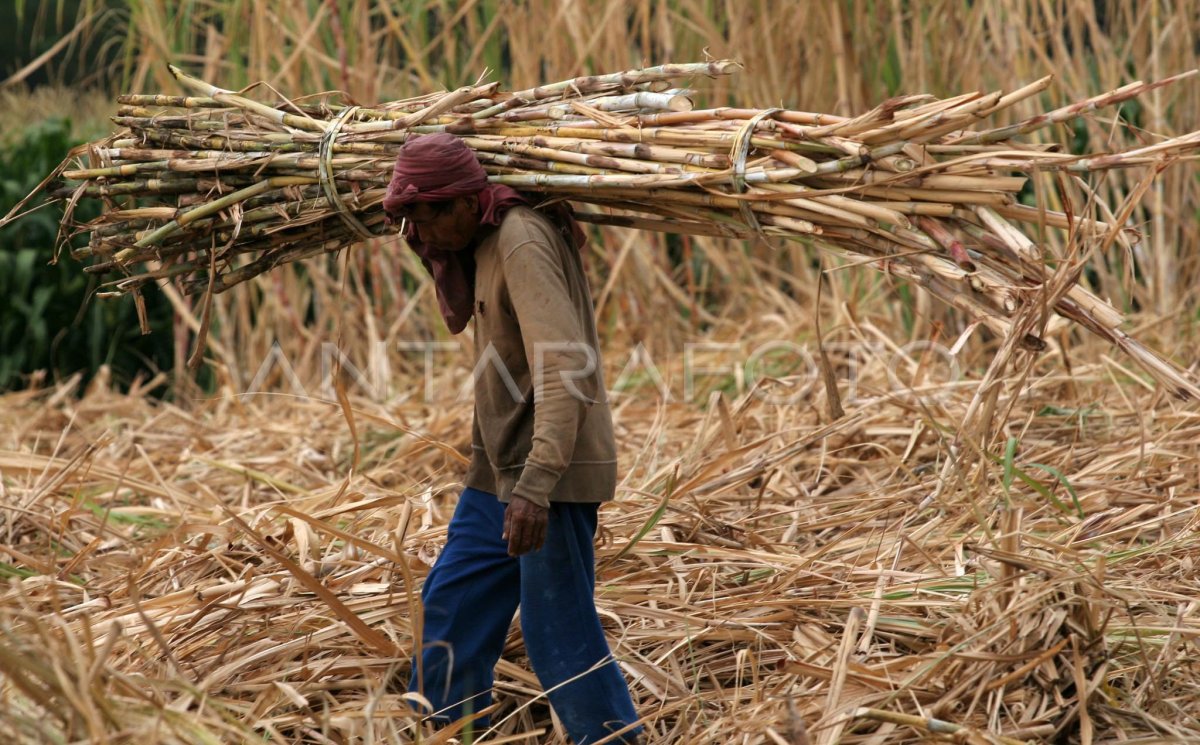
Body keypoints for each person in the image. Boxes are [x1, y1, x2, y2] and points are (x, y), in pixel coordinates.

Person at [383, 133, 643, 744]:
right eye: (412, 221)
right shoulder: (481, 242)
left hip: (548, 474)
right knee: (453, 603)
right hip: (500, 474)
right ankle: (449, 729)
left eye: (433, 215)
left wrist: (537, 487)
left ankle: (613, 739)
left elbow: (563, 366)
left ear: (469, 200)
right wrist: (497, 474)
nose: (426, 234)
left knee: (561, 635)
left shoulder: (520, 240)